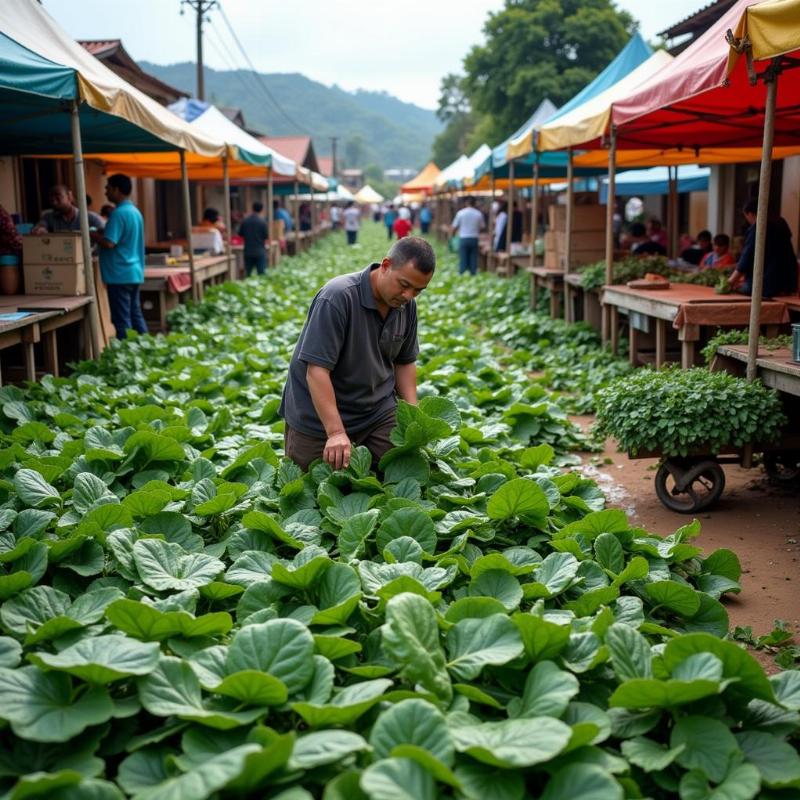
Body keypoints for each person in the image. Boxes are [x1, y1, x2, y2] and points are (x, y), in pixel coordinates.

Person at [279, 236, 436, 472]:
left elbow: (404, 363)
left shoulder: (406, 306)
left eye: (418, 290)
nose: (409, 296)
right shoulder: (338, 297)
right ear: (385, 265)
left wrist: (413, 417)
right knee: (312, 483)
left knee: (407, 468)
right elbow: (317, 371)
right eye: (404, 285)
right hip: (318, 417)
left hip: (375, 413)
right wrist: (335, 432)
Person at [90, 174, 147, 340]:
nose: (106, 192)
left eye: (108, 188)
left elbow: (109, 243)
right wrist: (102, 233)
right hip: (133, 272)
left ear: (116, 189)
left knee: (122, 319)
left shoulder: (118, 213)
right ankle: (147, 350)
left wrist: (91, 234)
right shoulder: (134, 211)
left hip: (119, 274)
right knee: (135, 315)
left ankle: (128, 356)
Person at [728, 200, 798, 297]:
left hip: (766, 285)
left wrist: (730, 282)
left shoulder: (758, 228)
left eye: (746, 216)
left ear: (750, 214)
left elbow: (746, 258)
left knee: (741, 289)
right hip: (787, 283)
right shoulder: (781, 223)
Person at [33, 184, 105, 234]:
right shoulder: (48, 217)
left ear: (69, 196)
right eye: (51, 196)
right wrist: (40, 229)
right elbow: (41, 226)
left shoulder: (90, 217)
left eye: (57, 195)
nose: (52, 199)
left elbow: (105, 233)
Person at [451, 196, 484, 275]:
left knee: (463, 257)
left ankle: (462, 273)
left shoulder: (461, 213)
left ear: (466, 203)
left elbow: (454, 227)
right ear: (475, 203)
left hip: (463, 238)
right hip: (474, 238)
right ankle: (473, 273)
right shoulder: (478, 214)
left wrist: (453, 236)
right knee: (473, 258)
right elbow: (482, 227)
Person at [239, 201, 269, 276]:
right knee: (261, 274)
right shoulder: (263, 222)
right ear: (262, 210)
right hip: (260, 251)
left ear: (252, 209)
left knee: (248, 273)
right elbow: (266, 236)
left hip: (248, 251)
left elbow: (240, 234)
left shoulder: (245, 221)